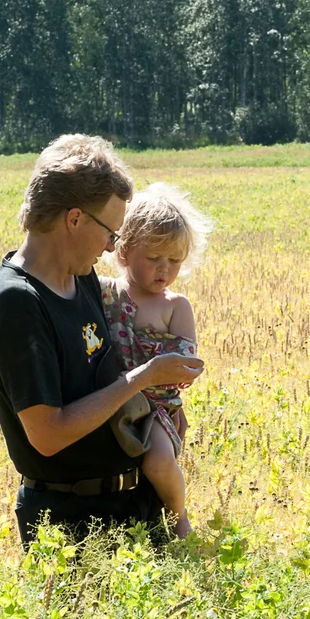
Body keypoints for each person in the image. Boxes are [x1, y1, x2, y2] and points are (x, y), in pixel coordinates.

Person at [0, 134, 205, 546]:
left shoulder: (80, 278)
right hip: (71, 526)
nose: (110, 247)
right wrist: (142, 379)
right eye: (110, 232)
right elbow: (48, 436)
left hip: (136, 505)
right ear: (75, 219)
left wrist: (157, 410)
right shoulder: (18, 302)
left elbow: (107, 366)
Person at [97, 183, 211, 538]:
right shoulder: (104, 291)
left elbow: (185, 364)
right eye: (154, 258)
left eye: (174, 261)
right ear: (125, 251)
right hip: (109, 399)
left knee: (159, 461)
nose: (164, 270)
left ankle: (180, 518)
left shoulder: (176, 306)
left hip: (156, 408)